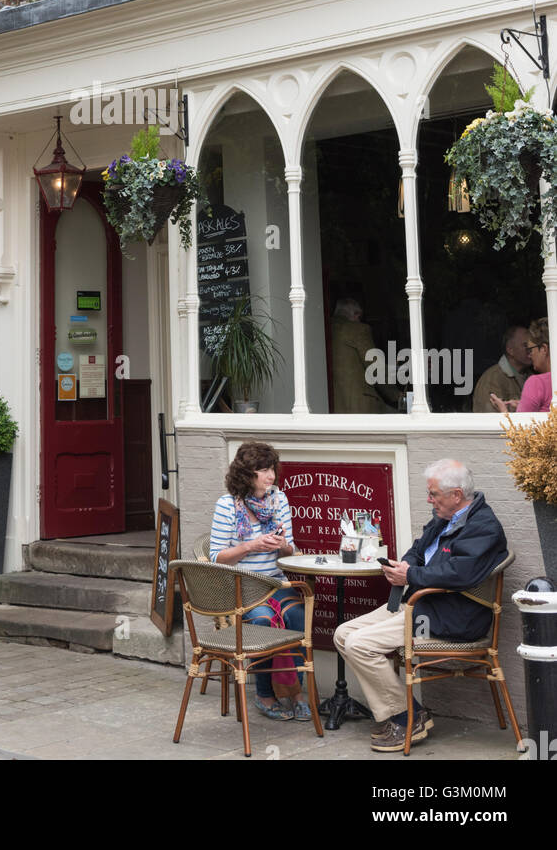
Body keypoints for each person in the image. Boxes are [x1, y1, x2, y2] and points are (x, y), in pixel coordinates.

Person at [333, 459, 507, 752]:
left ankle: (406, 717)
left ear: (456, 494)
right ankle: (408, 712)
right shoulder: (445, 517)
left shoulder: (483, 527)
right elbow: (417, 550)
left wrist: (410, 574)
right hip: (421, 604)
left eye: (434, 494)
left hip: (451, 616)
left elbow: (459, 574)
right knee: (342, 634)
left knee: (359, 644)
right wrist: (404, 566)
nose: (429, 500)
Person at [209, 442, 310, 721]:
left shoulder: (280, 499)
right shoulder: (227, 505)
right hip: (242, 585)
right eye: (262, 470)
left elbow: (291, 550)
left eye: (272, 469)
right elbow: (217, 557)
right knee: (264, 622)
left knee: (299, 618)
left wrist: (281, 544)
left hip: (275, 582)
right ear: (246, 474)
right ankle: (265, 695)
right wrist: (250, 546)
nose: (270, 476)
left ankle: (295, 693)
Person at [331, 298, 399, 413]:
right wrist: (397, 396)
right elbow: (376, 370)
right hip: (360, 407)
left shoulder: (323, 328)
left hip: (331, 407)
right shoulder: (358, 330)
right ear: (356, 314)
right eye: (360, 317)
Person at [491, 319, 552, 413]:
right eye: (525, 348)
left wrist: (503, 410)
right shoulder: (493, 378)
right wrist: (525, 404)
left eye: (531, 349)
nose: (529, 354)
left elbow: (521, 427)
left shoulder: (537, 383)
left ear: (544, 349)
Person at [472, 324, 531, 412]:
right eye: (525, 345)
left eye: (531, 344)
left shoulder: (531, 375)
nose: (531, 348)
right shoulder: (493, 379)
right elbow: (490, 420)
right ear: (510, 350)